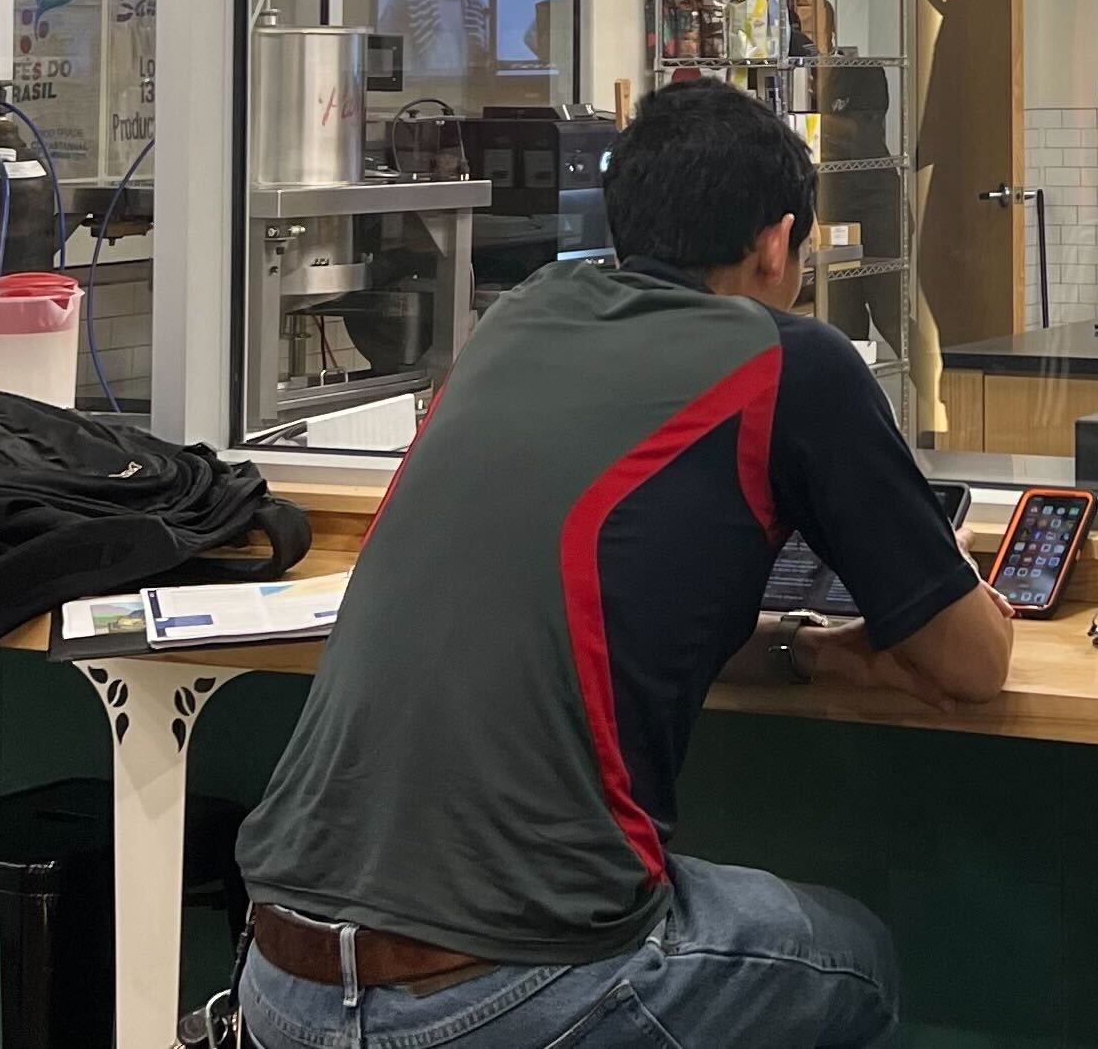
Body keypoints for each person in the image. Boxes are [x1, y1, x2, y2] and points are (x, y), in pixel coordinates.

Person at [231, 79, 1012, 1049]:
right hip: (497, 993)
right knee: (855, 961)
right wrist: (953, 586)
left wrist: (804, 650)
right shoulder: (792, 363)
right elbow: (972, 667)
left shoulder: (515, 323)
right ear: (777, 245)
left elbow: (599, 601)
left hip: (279, 982)